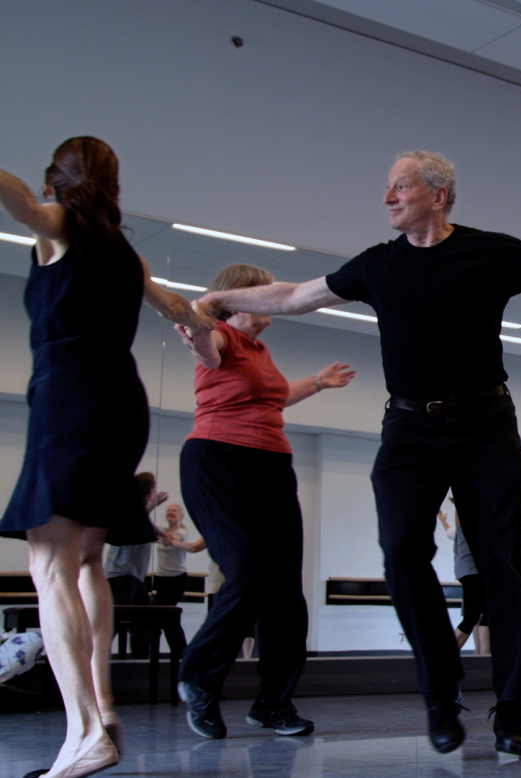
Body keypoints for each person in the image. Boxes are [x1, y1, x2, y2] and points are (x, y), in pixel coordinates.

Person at [195, 150, 521, 756]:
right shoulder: (378, 265)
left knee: (503, 568)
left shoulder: (487, 251)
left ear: (439, 195)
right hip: (408, 430)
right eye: (386, 187)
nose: (387, 197)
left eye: (399, 186)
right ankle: (440, 690)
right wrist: (213, 304)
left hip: (485, 425)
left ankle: (512, 709)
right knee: (402, 553)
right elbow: (297, 296)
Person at [0, 137, 215, 778]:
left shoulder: (60, 223)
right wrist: (206, 330)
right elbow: (177, 307)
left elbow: (17, 203)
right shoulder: (126, 253)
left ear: (56, 179)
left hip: (69, 400)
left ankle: (87, 731)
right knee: (88, 561)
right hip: (121, 404)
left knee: (51, 567)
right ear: (114, 186)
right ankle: (102, 706)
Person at [175, 263, 355, 741]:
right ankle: (198, 678)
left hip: (271, 467)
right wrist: (203, 315)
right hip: (218, 462)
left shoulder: (259, 350)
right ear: (241, 300)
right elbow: (202, 345)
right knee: (250, 575)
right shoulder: (219, 336)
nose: (274, 299)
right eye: (265, 291)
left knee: (285, 597)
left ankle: (273, 703)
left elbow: (270, 398)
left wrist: (316, 382)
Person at [104, 474, 163, 659]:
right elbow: (134, 519)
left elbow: (148, 526)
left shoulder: (139, 510)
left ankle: (140, 659)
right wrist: (152, 506)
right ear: (150, 489)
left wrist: (164, 535)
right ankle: (95, 661)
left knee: (144, 619)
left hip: (134, 576)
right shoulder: (130, 507)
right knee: (114, 620)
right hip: (121, 573)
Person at [152, 502, 206, 663]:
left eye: (174, 511)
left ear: (181, 516)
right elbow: (154, 532)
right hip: (161, 579)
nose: (170, 512)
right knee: (161, 618)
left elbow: (173, 540)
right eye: (168, 510)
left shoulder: (181, 531)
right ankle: (174, 652)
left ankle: (182, 652)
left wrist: (163, 537)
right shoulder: (163, 530)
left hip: (176, 579)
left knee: (167, 617)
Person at [440, 505, 489, 655]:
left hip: (471, 572)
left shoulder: (470, 533)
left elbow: (450, 533)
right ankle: (484, 654)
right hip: (469, 571)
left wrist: (443, 522)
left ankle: (448, 658)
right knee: (489, 610)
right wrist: (460, 502)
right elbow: (458, 522)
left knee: (471, 617)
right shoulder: (465, 530)